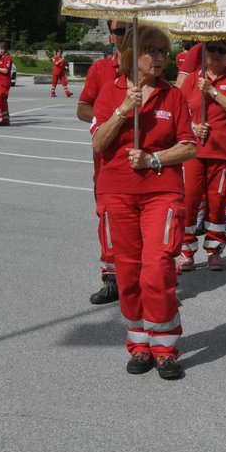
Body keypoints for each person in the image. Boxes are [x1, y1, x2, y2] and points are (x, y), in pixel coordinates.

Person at [90, 24, 197, 380]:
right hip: (116, 192)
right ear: (132, 55)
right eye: (151, 50)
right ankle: (139, 344)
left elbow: (189, 146)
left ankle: (165, 347)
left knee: (157, 268)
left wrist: (153, 159)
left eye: (163, 52)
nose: (159, 57)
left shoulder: (174, 96)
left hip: (161, 193)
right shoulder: (111, 90)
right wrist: (123, 110)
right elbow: (98, 143)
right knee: (129, 272)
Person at [180, 42, 226, 271]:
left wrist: (212, 91)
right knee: (189, 201)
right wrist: (193, 126)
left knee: (217, 203)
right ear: (204, 54)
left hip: (223, 152)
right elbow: (179, 113)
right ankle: (186, 252)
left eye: (221, 50)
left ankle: (214, 250)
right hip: (194, 151)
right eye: (212, 50)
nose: (216, 54)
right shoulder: (191, 80)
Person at [79, 39, 123, 305]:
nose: (123, 34)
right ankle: (112, 279)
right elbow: (82, 109)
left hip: (138, 165)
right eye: (118, 30)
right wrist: (111, 117)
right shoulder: (100, 69)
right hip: (106, 163)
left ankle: (141, 280)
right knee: (108, 221)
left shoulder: (150, 69)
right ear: (110, 35)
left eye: (128, 29)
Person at [0, 40, 16, 126]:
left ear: (5, 49)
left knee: (1, 99)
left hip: (4, 82)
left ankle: (4, 118)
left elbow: (5, 70)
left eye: (2, 49)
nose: (1, 51)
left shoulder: (8, 58)